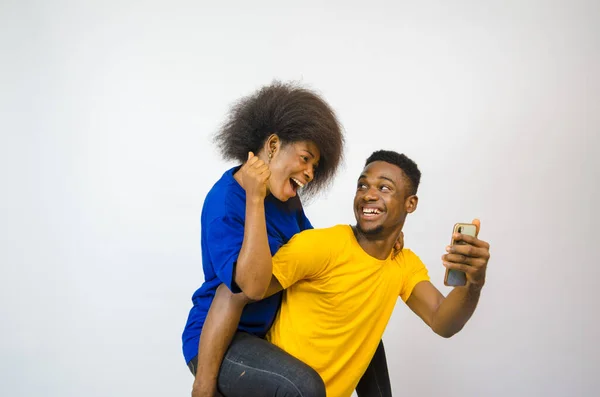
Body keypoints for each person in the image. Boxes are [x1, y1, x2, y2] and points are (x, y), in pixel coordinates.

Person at [192, 150, 491, 397]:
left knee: (371, 341)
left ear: (410, 204)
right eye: (362, 186)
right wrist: (203, 389)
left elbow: (443, 321)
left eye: (384, 188)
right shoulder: (321, 246)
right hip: (276, 385)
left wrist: (473, 283)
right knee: (306, 387)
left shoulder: (402, 263)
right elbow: (231, 293)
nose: (368, 195)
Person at [182, 82, 396, 397]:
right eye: (305, 158)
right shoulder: (224, 205)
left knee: (366, 336)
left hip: (271, 329)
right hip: (223, 341)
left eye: (315, 167)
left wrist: (383, 232)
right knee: (303, 387)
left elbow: (318, 252)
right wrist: (254, 199)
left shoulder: (287, 201)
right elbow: (247, 288)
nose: (310, 173)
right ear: (272, 145)